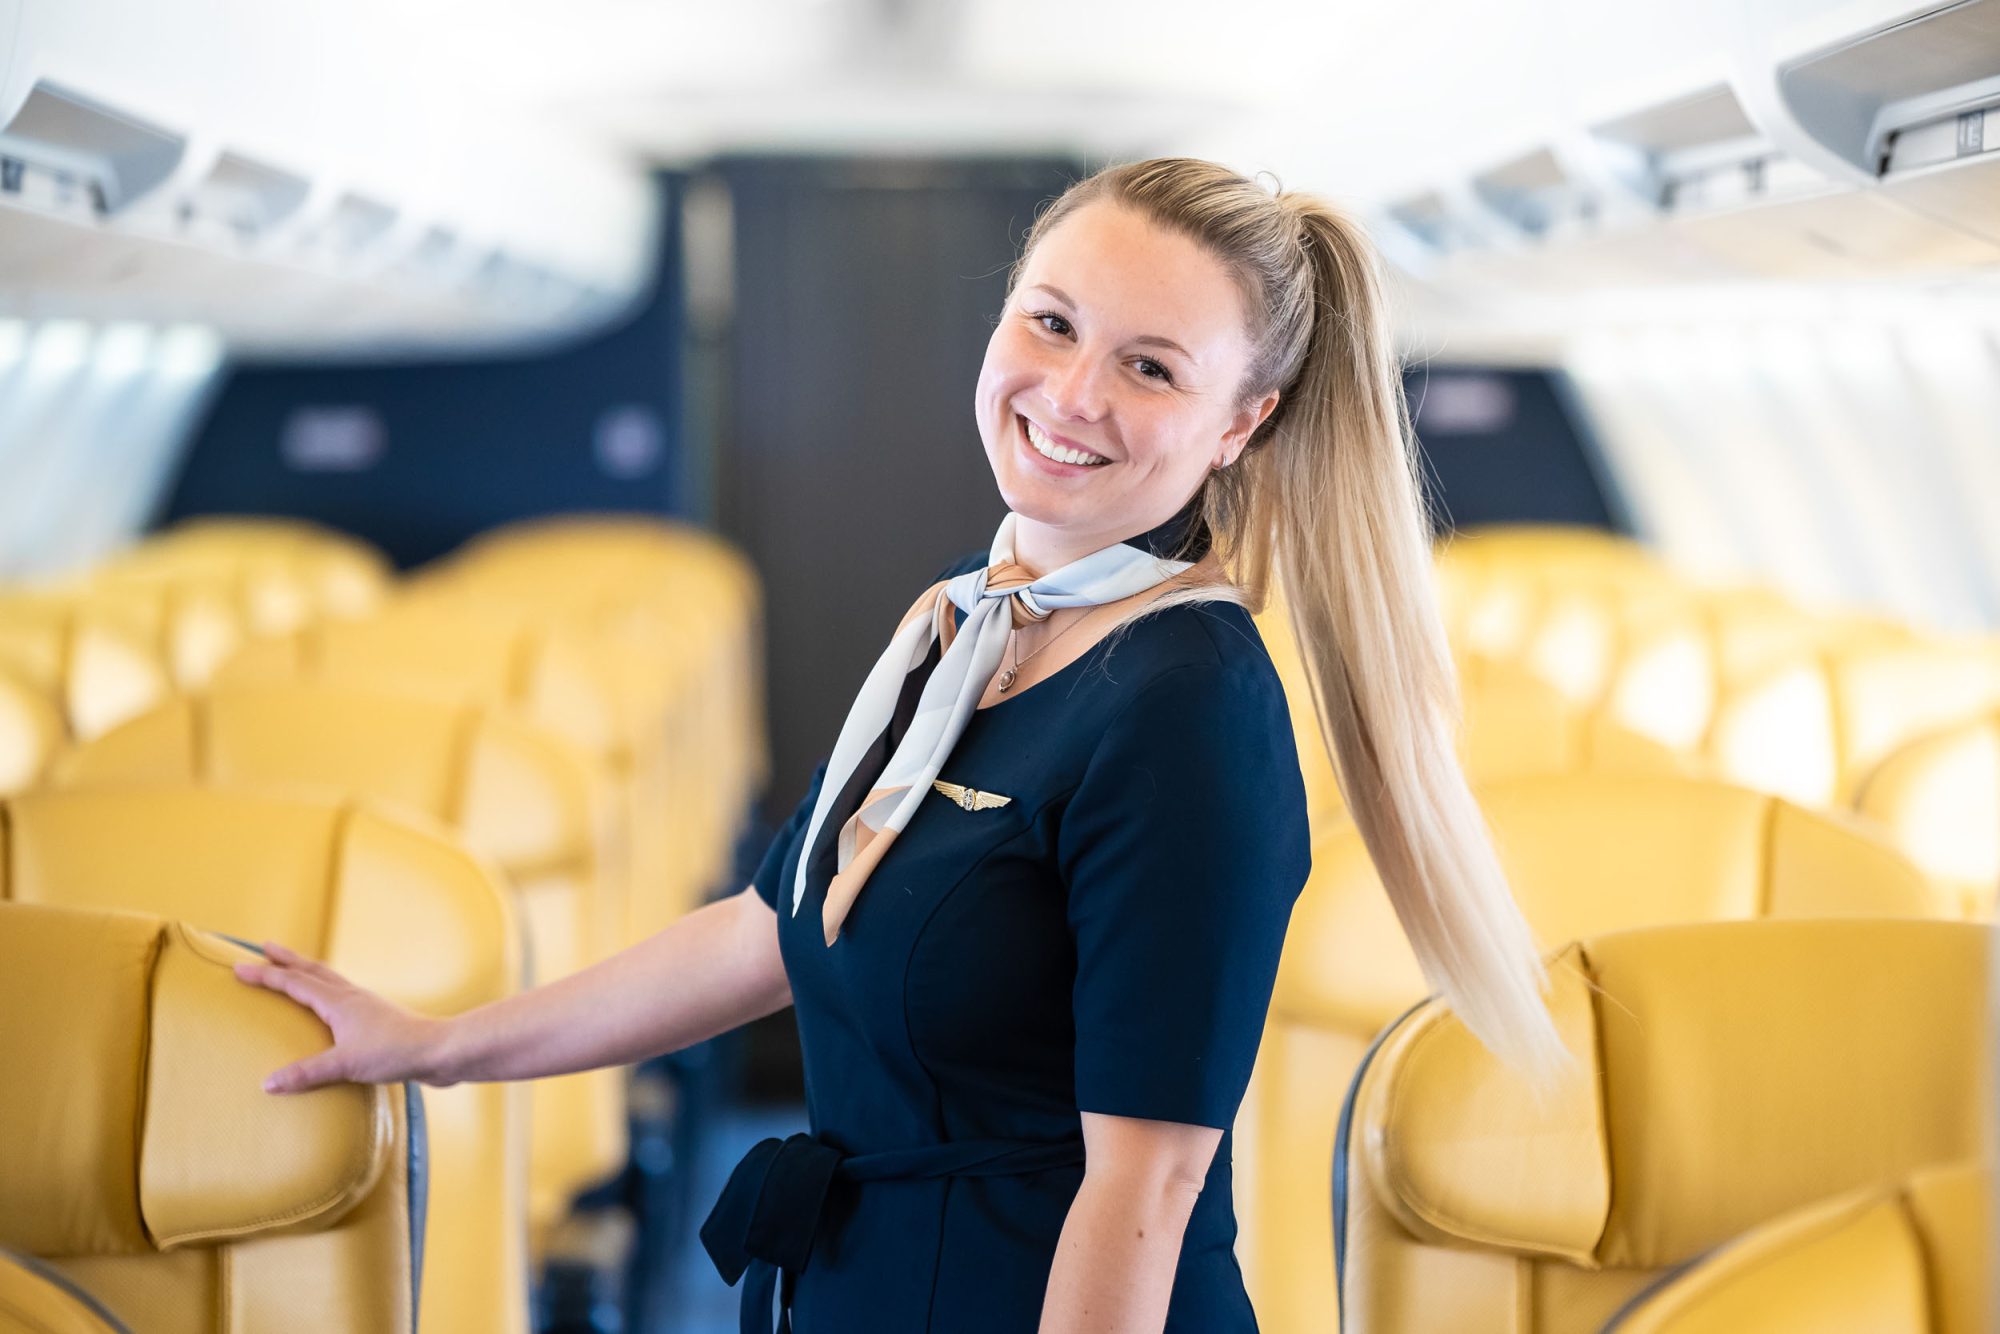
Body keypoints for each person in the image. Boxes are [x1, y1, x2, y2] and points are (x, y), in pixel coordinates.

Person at [234, 156, 1565, 1333]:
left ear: (1241, 422)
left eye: (1149, 365)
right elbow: (777, 926)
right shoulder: (961, 622)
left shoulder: (1189, 700)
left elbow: (1145, 1181)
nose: (1070, 392)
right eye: (1051, 322)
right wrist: (436, 1043)